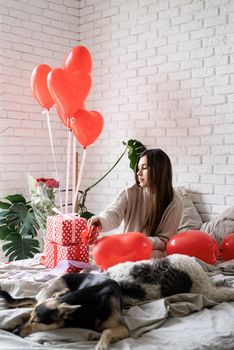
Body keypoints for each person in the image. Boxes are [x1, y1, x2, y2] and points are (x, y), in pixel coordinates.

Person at [88, 148, 183, 258]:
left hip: (151, 251)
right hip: (126, 246)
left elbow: (164, 240)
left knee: (153, 256)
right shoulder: (130, 192)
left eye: (144, 168)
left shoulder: (175, 203)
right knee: (98, 248)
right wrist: (100, 220)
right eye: (138, 168)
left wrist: (141, 242)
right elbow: (114, 213)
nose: (138, 173)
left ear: (159, 170)